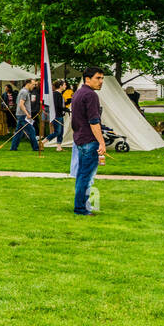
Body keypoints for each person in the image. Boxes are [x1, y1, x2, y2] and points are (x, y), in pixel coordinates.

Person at [70, 67, 106, 215]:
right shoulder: (91, 95)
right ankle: (81, 208)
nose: (101, 81)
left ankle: (81, 205)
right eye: (98, 78)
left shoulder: (78, 93)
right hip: (88, 140)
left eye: (102, 78)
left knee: (81, 175)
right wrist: (102, 142)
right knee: (86, 176)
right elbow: (94, 121)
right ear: (87, 79)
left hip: (79, 138)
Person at [10, 78, 39, 151]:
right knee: (31, 131)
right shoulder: (24, 92)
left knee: (18, 132)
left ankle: (13, 147)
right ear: (28, 84)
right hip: (23, 115)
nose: (34, 86)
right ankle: (36, 148)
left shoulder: (23, 91)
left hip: (21, 114)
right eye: (33, 84)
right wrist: (27, 114)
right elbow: (21, 104)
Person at [43, 79, 67, 148]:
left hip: (60, 115)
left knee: (61, 132)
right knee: (57, 132)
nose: (65, 86)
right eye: (64, 85)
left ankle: (59, 147)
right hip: (57, 115)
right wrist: (66, 109)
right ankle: (43, 142)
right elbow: (58, 106)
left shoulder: (58, 94)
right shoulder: (56, 94)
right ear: (60, 86)